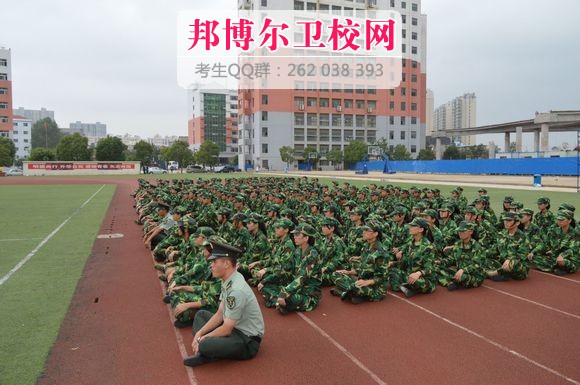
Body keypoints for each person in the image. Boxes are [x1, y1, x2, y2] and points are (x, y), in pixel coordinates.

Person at [184, 239, 264, 367]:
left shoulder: (237, 289)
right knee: (201, 315)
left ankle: (206, 351)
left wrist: (202, 338)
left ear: (226, 264)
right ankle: (208, 351)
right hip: (234, 328)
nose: (211, 265)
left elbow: (226, 329)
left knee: (205, 343)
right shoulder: (228, 280)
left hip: (246, 340)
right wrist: (200, 333)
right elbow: (220, 313)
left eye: (215, 262)